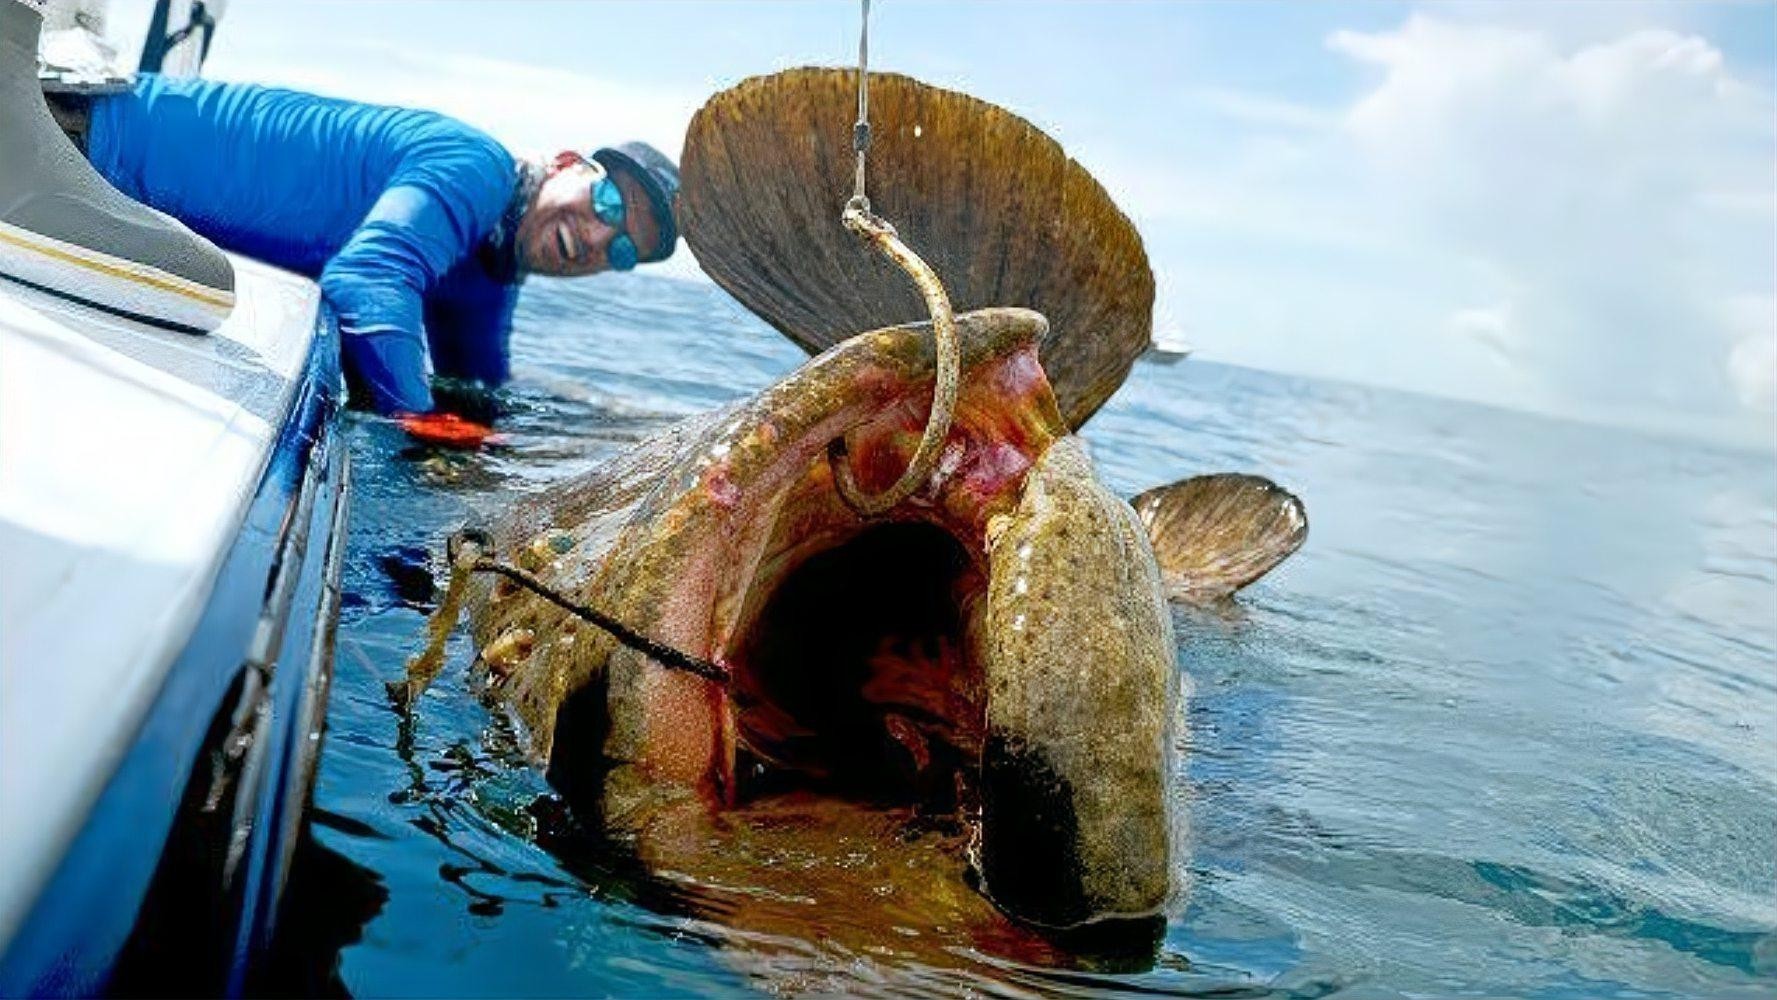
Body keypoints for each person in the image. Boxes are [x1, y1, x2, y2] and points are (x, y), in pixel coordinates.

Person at [5, 0, 680, 435]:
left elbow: (478, 390)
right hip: (76, 134)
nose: (599, 238)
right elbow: (367, 278)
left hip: (100, 176)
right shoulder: (476, 168)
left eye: (622, 250)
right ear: (565, 163)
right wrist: (416, 420)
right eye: (609, 203)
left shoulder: (487, 275)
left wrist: (599, 424)